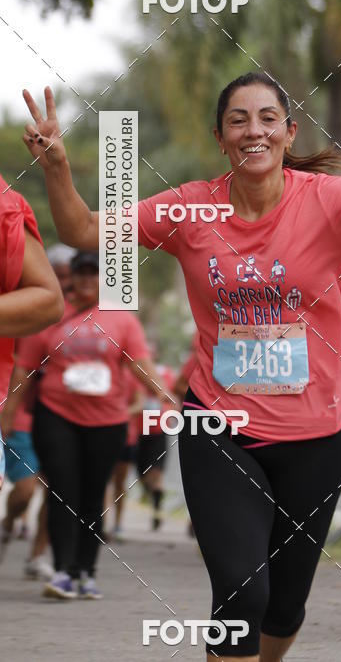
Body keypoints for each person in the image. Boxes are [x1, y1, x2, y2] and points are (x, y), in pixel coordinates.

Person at [21, 72, 341, 659]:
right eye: (238, 120)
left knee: (284, 607)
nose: (254, 130)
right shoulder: (188, 207)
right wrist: (56, 166)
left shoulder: (332, 199)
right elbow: (84, 230)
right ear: (220, 137)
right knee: (242, 594)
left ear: (288, 131)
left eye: (267, 118)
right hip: (218, 427)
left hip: (318, 433)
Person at [3, 250, 171, 600]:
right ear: (72, 278)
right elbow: (25, 369)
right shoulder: (51, 316)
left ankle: (85, 572)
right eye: (81, 274)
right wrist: (8, 414)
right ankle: (63, 571)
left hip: (107, 421)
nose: (86, 280)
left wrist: (163, 393)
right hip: (56, 416)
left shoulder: (121, 320)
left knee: (94, 496)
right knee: (63, 492)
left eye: (95, 274)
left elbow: (139, 363)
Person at [1, 243, 76, 578]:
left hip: (62, 417)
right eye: (56, 276)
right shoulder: (25, 306)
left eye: (67, 277)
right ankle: (10, 521)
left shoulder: (88, 316)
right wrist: (7, 412)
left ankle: (37, 555)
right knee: (25, 490)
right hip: (22, 416)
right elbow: (21, 368)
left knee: (58, 487)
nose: (63, 283)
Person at [0, 174, 64, 497]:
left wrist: (58, 168)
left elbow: (48, 300)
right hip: (24, 417)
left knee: (50, 490)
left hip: (48, 419)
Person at [135, 361, 177, 531]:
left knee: (156, 473)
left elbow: (174, 396)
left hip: (160, 430)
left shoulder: (167, 374)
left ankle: (156, 509)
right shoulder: (138, 373)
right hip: (140, 430)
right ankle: (152, 495)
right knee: (143, 473)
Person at [107, 368, 144, 540]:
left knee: (120, 483)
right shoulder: (104, 371)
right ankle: (100, 523)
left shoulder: (133, 376)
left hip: (126, 437)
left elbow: (139, 404)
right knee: (102, 482)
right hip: (102, 433)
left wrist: (120, 413)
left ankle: (118, 523)